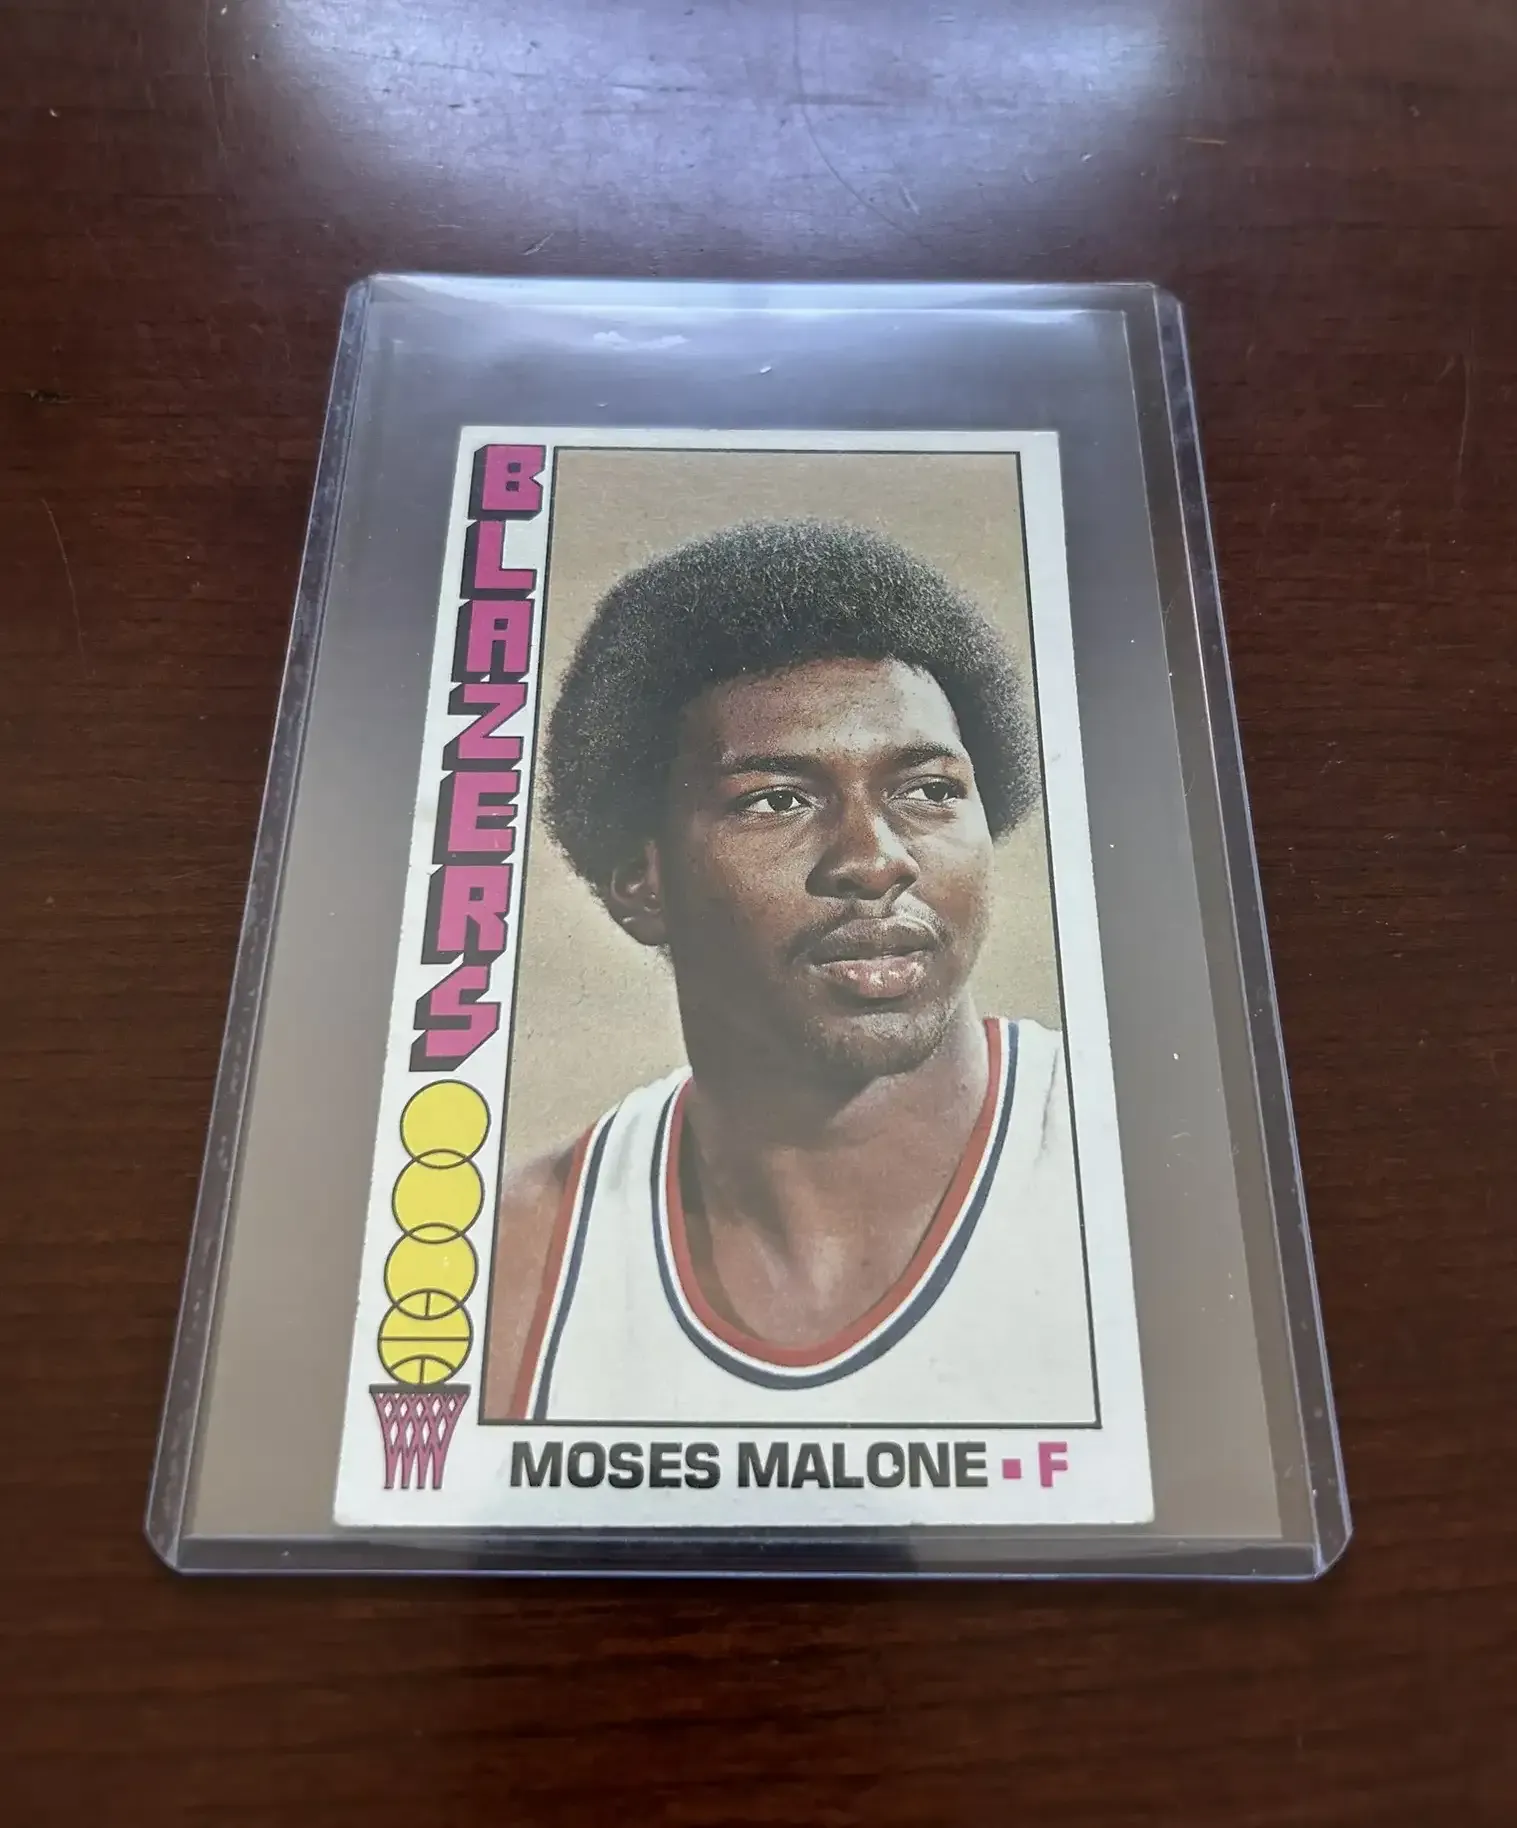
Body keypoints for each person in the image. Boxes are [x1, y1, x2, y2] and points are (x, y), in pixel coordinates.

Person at [484, 519, 1094, 1424]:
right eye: (775, 800)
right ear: (640, 882)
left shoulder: (1131, 1156)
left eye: (929, 791)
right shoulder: (518, 1258)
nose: (875, 860)